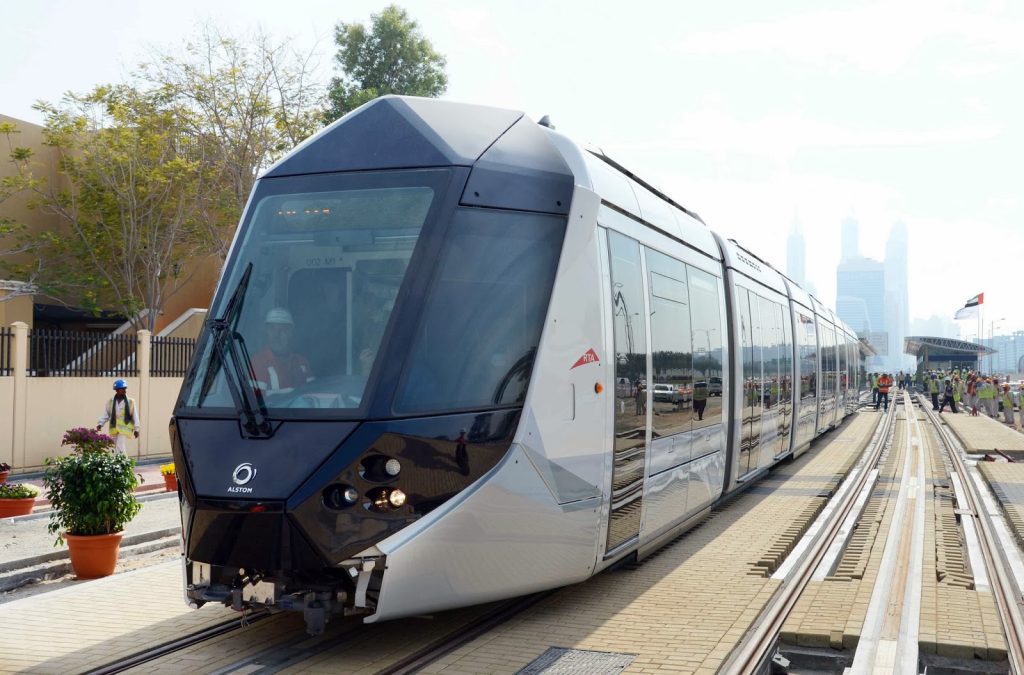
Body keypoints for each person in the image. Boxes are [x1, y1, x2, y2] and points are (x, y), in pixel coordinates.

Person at [251, 307, 314, 394]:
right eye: (272, 329)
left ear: (291, 332)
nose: (276, 335)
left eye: (283, 329)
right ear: (266, 331)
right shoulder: (257, 363)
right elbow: (254, 403)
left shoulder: (302, 362)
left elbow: (312, 396)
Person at [96, 378, 140, 454]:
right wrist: (100, 424)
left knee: (120, 445)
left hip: (124, 429)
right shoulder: (110, 402)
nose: (124, 390)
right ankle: (117, 463)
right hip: (113, 428)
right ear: (116, 390)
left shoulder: (130, 402)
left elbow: (135, 416)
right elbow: (106, 414)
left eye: (125, 388)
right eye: (122, 389)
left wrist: (137, 429)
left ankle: (123, 463)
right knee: (114, 447)